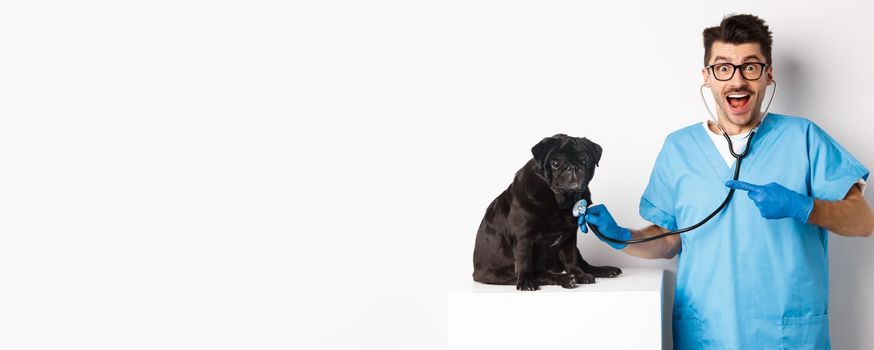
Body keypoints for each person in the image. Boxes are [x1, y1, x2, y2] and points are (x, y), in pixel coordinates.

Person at [582, 14, 874, 349]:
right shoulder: (679, 149)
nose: (737, 80)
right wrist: (621, 237)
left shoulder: (804, 138)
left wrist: (804, 207)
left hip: (789, 337)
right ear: (707, 76)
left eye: (750, 66)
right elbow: (669, 241)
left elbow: (863, 221)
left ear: (768, 74)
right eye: (723, 68)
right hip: (708, 335)